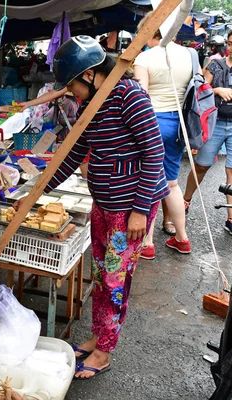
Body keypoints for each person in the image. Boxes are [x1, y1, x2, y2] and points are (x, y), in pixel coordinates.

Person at [20, 36, 169, 379]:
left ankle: (104, 352)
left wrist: (139, 211)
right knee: (102, 277)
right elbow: (74, 151)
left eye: (72, 84)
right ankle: (100, 336)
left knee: (115, 281)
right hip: (104, 203)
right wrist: (38, 187)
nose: (70, 91)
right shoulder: (94, 103)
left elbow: (153, 153)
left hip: (128, 209)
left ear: (89, 75)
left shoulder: (129, 96)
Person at [133, 12, 194, 259]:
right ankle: (182, 238)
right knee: (171, 183)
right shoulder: (190, 55)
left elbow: (140, 97)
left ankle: (147, 242)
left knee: (147, 181)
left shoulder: (144, 57)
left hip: (152, 122)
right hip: (179, 125)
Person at [183, 31, 232, 234]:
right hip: (216, 122)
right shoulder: (215, 65)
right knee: (201, 166)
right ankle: (185, 200)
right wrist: (217, 90)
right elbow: (199, 87)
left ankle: (231, 217)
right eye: (230, 43)